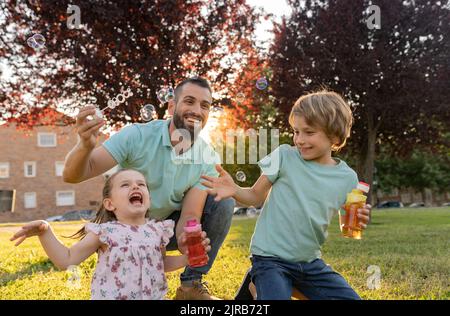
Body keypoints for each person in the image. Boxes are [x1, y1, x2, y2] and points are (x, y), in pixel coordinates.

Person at [62, 77, 235, 300]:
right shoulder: (137, 135)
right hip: (124, 227)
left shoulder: (207, 157)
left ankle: (190, 286)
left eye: (204, 105)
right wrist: (84, 146)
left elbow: (191, 214)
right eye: (189, 101)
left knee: (224, 202)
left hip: (163, 229)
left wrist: (187, 240)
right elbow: (73, 175)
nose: (196, 110)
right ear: (172, 106)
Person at [201, 90, 372, 300]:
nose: (299, 140)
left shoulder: (348, 178)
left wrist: (359, 221)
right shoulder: (284, 156)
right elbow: (255, 196)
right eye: (296, 131)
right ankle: (260, 284)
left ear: (335, 135)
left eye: (308, 132)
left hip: (309, 263)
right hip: (270, 259)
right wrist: (235, 190)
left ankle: (276, 286)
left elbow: (348, 228)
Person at [10, 169, 211, 300]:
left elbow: (159, 264)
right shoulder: (105, 233)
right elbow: (66, 260)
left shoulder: (157, 231)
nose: (135, 186)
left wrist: (187, 259)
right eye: (125, 185)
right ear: (109, 203)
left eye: (141, 184)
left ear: (148, 200)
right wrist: (45, 231)